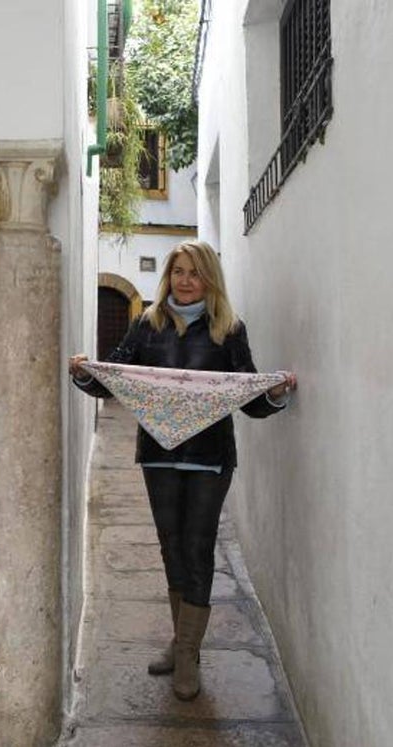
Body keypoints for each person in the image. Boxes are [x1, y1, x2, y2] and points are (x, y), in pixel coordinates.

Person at [68, 241, 296, 701]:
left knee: (198, 547)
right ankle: (181, 643)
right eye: (177, 272)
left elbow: (245, 396)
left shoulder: (228, 330)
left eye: (194, 272)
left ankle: (188, 654)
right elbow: (116, 377)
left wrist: (273, 392)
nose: (185, 280)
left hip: (210, 458)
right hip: (158, 455)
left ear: (209, 278)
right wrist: (84, 373)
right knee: (171, 548)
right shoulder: (146, 325)